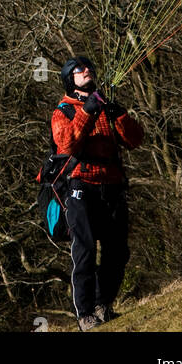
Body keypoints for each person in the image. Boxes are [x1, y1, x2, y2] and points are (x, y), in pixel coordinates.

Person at [53, 56, 144, 331]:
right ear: (70, 79)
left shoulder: (105, 108)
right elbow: (67, 144)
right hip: (81, 186)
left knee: (118, 250)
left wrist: (119, 115)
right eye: (79, 69)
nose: (87, 71)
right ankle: (85, 314)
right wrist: (87, 111)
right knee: (86, 250)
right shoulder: (63, 111)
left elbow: (135, 140)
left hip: (112, 185)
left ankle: (103, 304)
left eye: (89, 67)